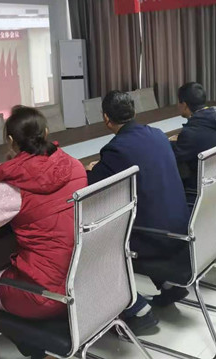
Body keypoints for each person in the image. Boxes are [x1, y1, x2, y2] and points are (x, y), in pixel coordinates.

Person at [0, 106, 87, 359]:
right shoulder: (75, 166)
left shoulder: (13, 185)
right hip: (80, 277)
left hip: (46, 293)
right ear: (46, 132)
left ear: (10, 141)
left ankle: (39, 351)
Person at [87, 91, 191, 334]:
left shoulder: (115, 150)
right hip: (181, 225)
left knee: (97, 242)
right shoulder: (157, 135)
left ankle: (137, 310)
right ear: (134, 112)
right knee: (148, 208)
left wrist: (92, 170)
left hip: (154, 237)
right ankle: (168, 285)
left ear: (106, 118)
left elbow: (94, 187)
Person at [171, 82, 216, 199]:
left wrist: (167, 143)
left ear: (184, 104)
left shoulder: (191, 132)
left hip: (209, 194)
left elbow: (174, 157)